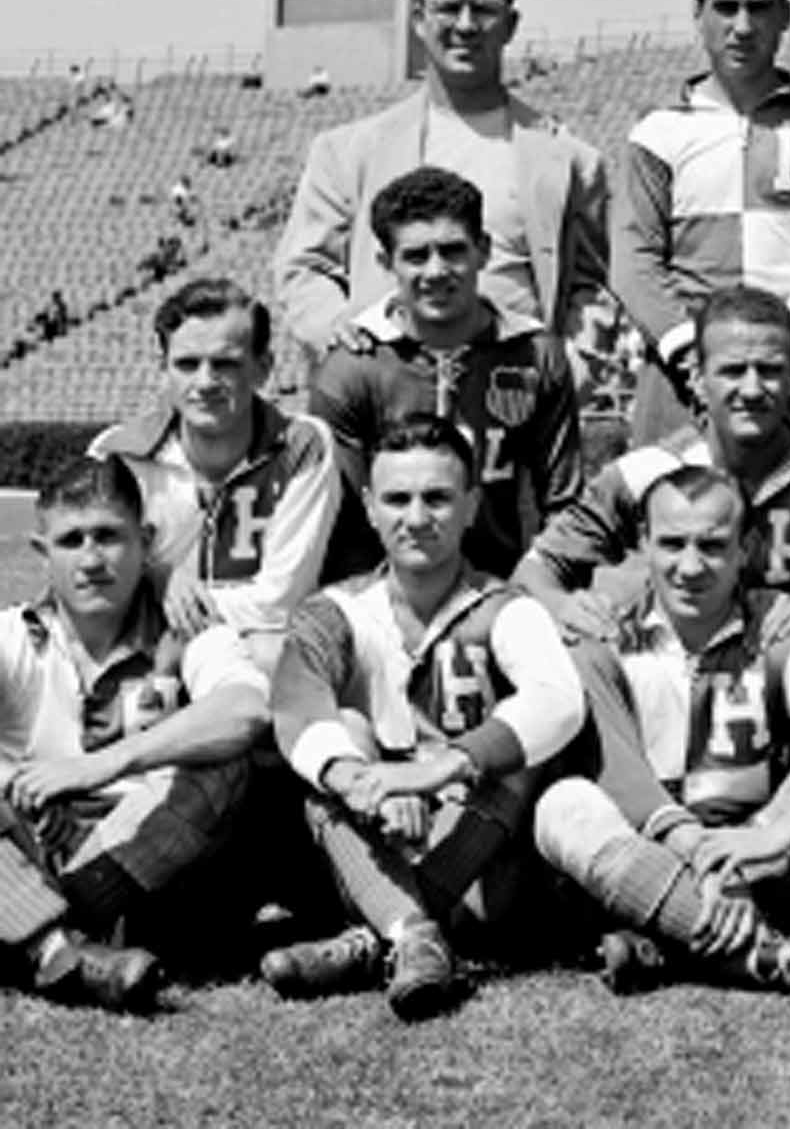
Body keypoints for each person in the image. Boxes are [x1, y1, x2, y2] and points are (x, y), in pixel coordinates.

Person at [532, 462, 790, 998]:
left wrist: (772, 835)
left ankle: (670, 942)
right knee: (563, 802)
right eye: (672, 544)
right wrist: (695, 854)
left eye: (712, 546)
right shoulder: (602, 632)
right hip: (647, 851)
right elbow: (611, 768)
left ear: (746, 548)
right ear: (643, 543)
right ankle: (770, 956)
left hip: (759, 861)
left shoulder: (779, 633)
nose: (690, 566)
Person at [263, 417, 586, 1020]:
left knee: (519, 754)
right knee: (336, 755)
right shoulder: (332, 611)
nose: (416, 517)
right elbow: (298, 713)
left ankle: (381, 935)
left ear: (470, 506)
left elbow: (560, 701)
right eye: (398, 498)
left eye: (437, 498)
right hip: (379, 841)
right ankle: (412, 934)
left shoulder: (506, 607)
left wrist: (440, 770)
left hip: (485, 866)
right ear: (368, 507)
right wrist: (371, 787)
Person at [0, 456, 268, 1011]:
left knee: (219, 760)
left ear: (145, 541)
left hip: (157, 869)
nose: (93, 559)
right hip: (42, 847)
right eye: (72, 540)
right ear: (41, 554)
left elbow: (246, 710)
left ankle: (39, 934)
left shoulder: (186, 624)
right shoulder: (15, 638)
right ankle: (62, 950)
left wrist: (99, 766)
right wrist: (10, 784)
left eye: (109, 536)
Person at [273, 0, 610, 371]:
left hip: (514, 392)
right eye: (449, 8)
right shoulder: (348, 152)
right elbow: (303, 268)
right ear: (418, 19)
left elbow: (593, 287)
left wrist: (572, 369)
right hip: (389, 390)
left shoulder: (570, 161)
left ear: (510, 24)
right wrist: (339, 330)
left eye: (484, 9)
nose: (466, 26)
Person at [612, 0, 790, 449]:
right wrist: (691, 349)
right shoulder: (658, 131)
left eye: (758, 7)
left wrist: (782, 343)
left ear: (785, 15)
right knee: (678, 521)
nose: (742, 26)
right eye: (725, 7)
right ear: (698, 14)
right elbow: (634, 261)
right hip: (685, 375)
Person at [515, 285, 790, 633]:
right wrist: (563, 606)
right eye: (733, 371)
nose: (752, 390)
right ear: (698, 379)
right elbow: (535, 569)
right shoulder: (646, 472)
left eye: (769, 371)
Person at [308, 166, 582, 581]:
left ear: (484, 250)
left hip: (507, 586)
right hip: (384, 596)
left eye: (452, 250)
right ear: (386, 262)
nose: (436, 271)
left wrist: (546, 590)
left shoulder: (535, 354)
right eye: (416, 256)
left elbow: (564, 502)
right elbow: (337, 518)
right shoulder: (353, 366)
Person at [90, 278, 342, 676]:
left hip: (247, 641)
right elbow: (93, 580)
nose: (205, 382)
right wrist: (161, 578)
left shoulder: (304, 445)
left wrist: (178, 601)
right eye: (187, 364)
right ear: (163, 369)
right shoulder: (117, 454)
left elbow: (280, 601)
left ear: (263, 368)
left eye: (225, 364)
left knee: (272, 653)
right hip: (135, 643)